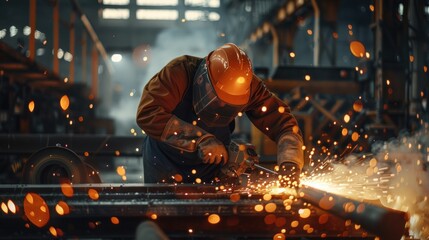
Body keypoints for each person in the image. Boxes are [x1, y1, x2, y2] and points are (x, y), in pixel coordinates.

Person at [136, 43, 304, 187]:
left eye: (230, 104)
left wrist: (290, 162)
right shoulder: (178, 73)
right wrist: (199, 139)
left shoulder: (251, 86)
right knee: (164, 217)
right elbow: (148, 113)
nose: (222, 107)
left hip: (214, 164)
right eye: (219, 100)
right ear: (203, 78)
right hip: (165, 162)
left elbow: (284, 125)